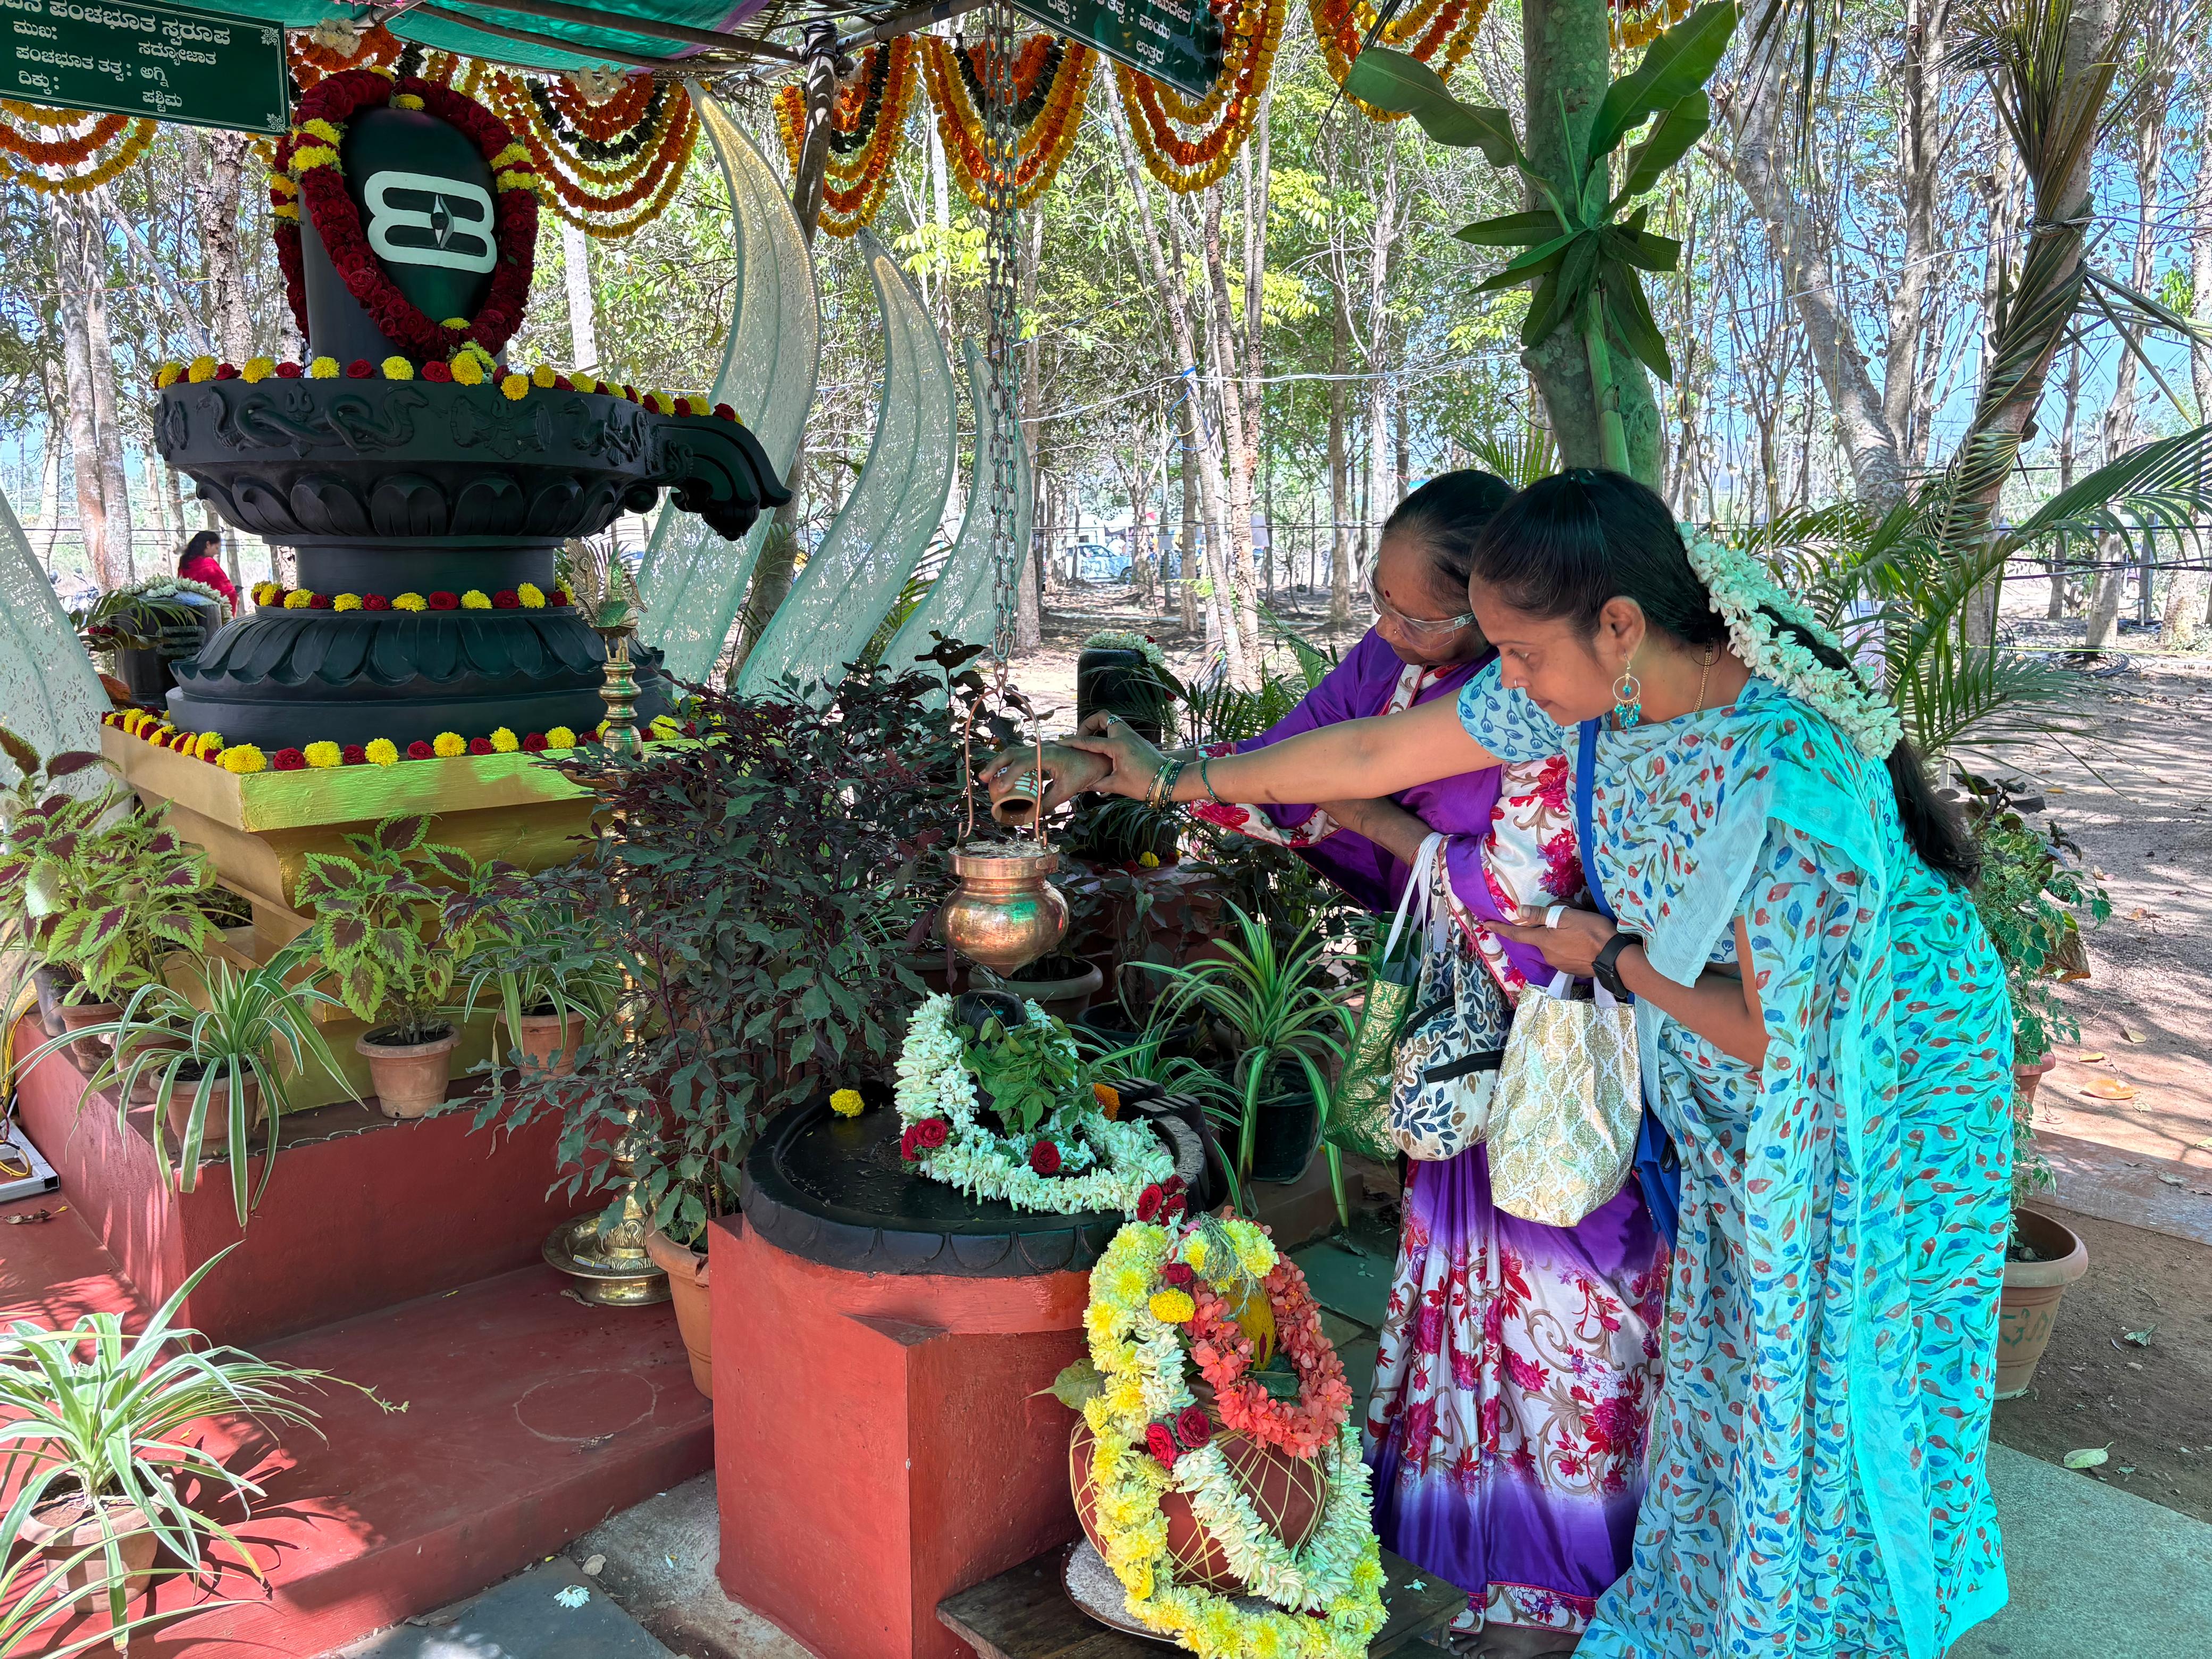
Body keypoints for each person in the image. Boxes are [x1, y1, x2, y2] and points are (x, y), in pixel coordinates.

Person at [1003, 470, 2012, 1659]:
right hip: (1721, 1064)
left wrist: (1611, 954)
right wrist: (1172, 776)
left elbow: (1776, 1036)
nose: (1504, 682)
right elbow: (1376, 748)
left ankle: (1805, 1615)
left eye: (1518, 652)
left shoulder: (1779, 782)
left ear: (1622, 625)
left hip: (1868, 1094)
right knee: (1730, 1360)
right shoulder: (1592, 692)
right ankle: (1715, 1589)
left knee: (1825, 1361)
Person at [1011, 470, 1668, 1656]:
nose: (1395, 635)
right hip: (1469, 1033)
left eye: (1426, 617)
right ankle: (1483, 1547)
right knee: (1471, 1292)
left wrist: (1369, 817)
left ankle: (1570, 1575)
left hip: (1576, 1049)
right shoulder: (1417, 669)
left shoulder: (1556, 697)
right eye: (1383, 606)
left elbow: (1496, 878)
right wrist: (1157, 773)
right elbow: (1303, 762)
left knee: (1570, 1311)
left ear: (1504, 609)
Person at [175, 529, 238, 614]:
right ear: (208, 544)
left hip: (192, 612)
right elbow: (228, 592)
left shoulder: (184, 561)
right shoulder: (208, 563)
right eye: (216, 548)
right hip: (212, 612)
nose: (216, 552)